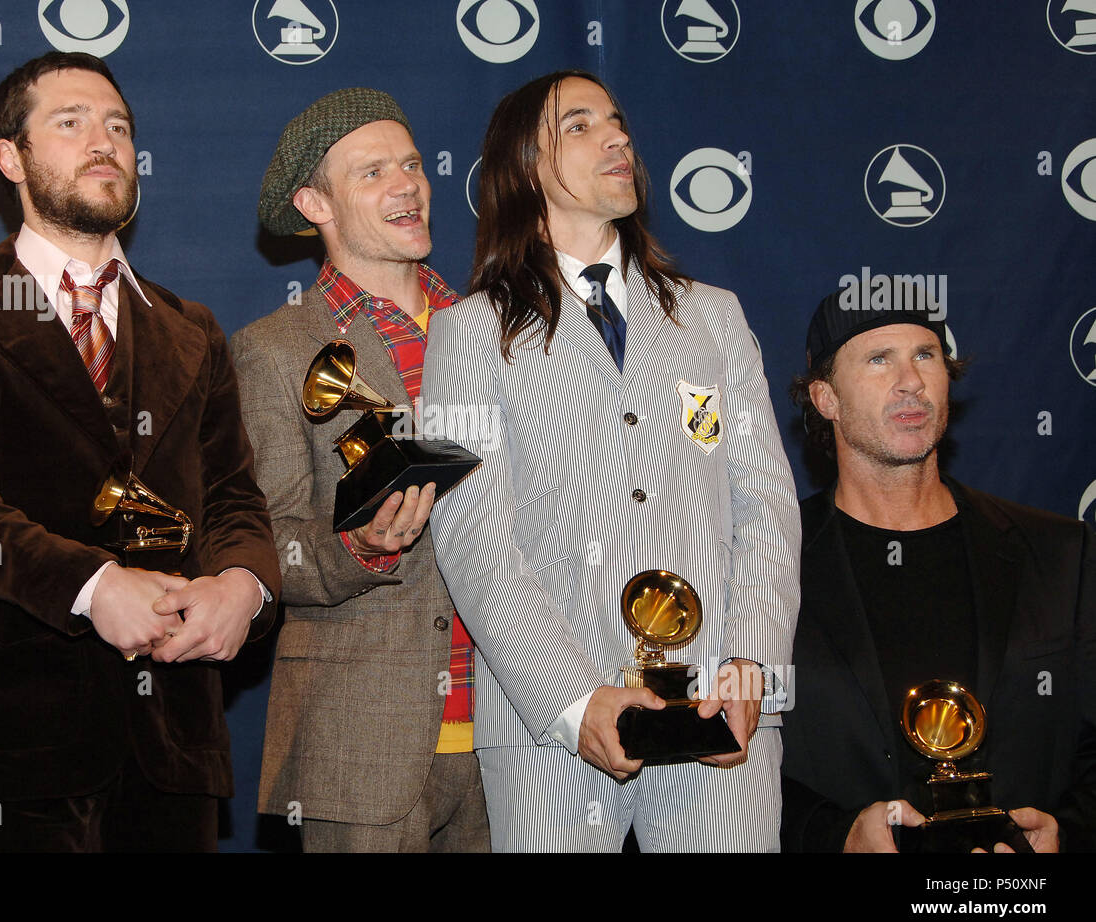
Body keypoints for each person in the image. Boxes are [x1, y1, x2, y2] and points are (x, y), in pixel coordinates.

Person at [0, 51, 281, 852]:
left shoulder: (192, 329)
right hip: (15, 743)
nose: (104, 142)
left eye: (118, 127)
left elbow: (235, 498)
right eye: (70, 123)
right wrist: (93, 587)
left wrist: (242, 587)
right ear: (12, 158)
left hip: (175, 746)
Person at [421, 70, 799, 852]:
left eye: (618, 120)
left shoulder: (713, 316)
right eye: (581, 124)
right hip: (551, 727)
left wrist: (751, 666)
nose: (617, 136)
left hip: (719, 710)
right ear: (526, 166)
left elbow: (765, 506)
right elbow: (473, 541)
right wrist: (572, 700)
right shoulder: (469, 333)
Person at [230, 88, 488, 852]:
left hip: (514, 737)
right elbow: (265, 545)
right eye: (372, 172)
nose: (406, 185)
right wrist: (359, 547)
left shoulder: (492, 331)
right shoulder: (274, 350)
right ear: (315, 204)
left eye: (411, 165)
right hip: (359, 741)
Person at [780, 289, 1096, 853]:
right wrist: (835, 835)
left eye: (926, 355)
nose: (911, 382)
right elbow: (730, 752)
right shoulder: (769, 562)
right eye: (879, 359)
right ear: (825, 398)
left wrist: (1067, 834)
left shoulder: (1058, 552)